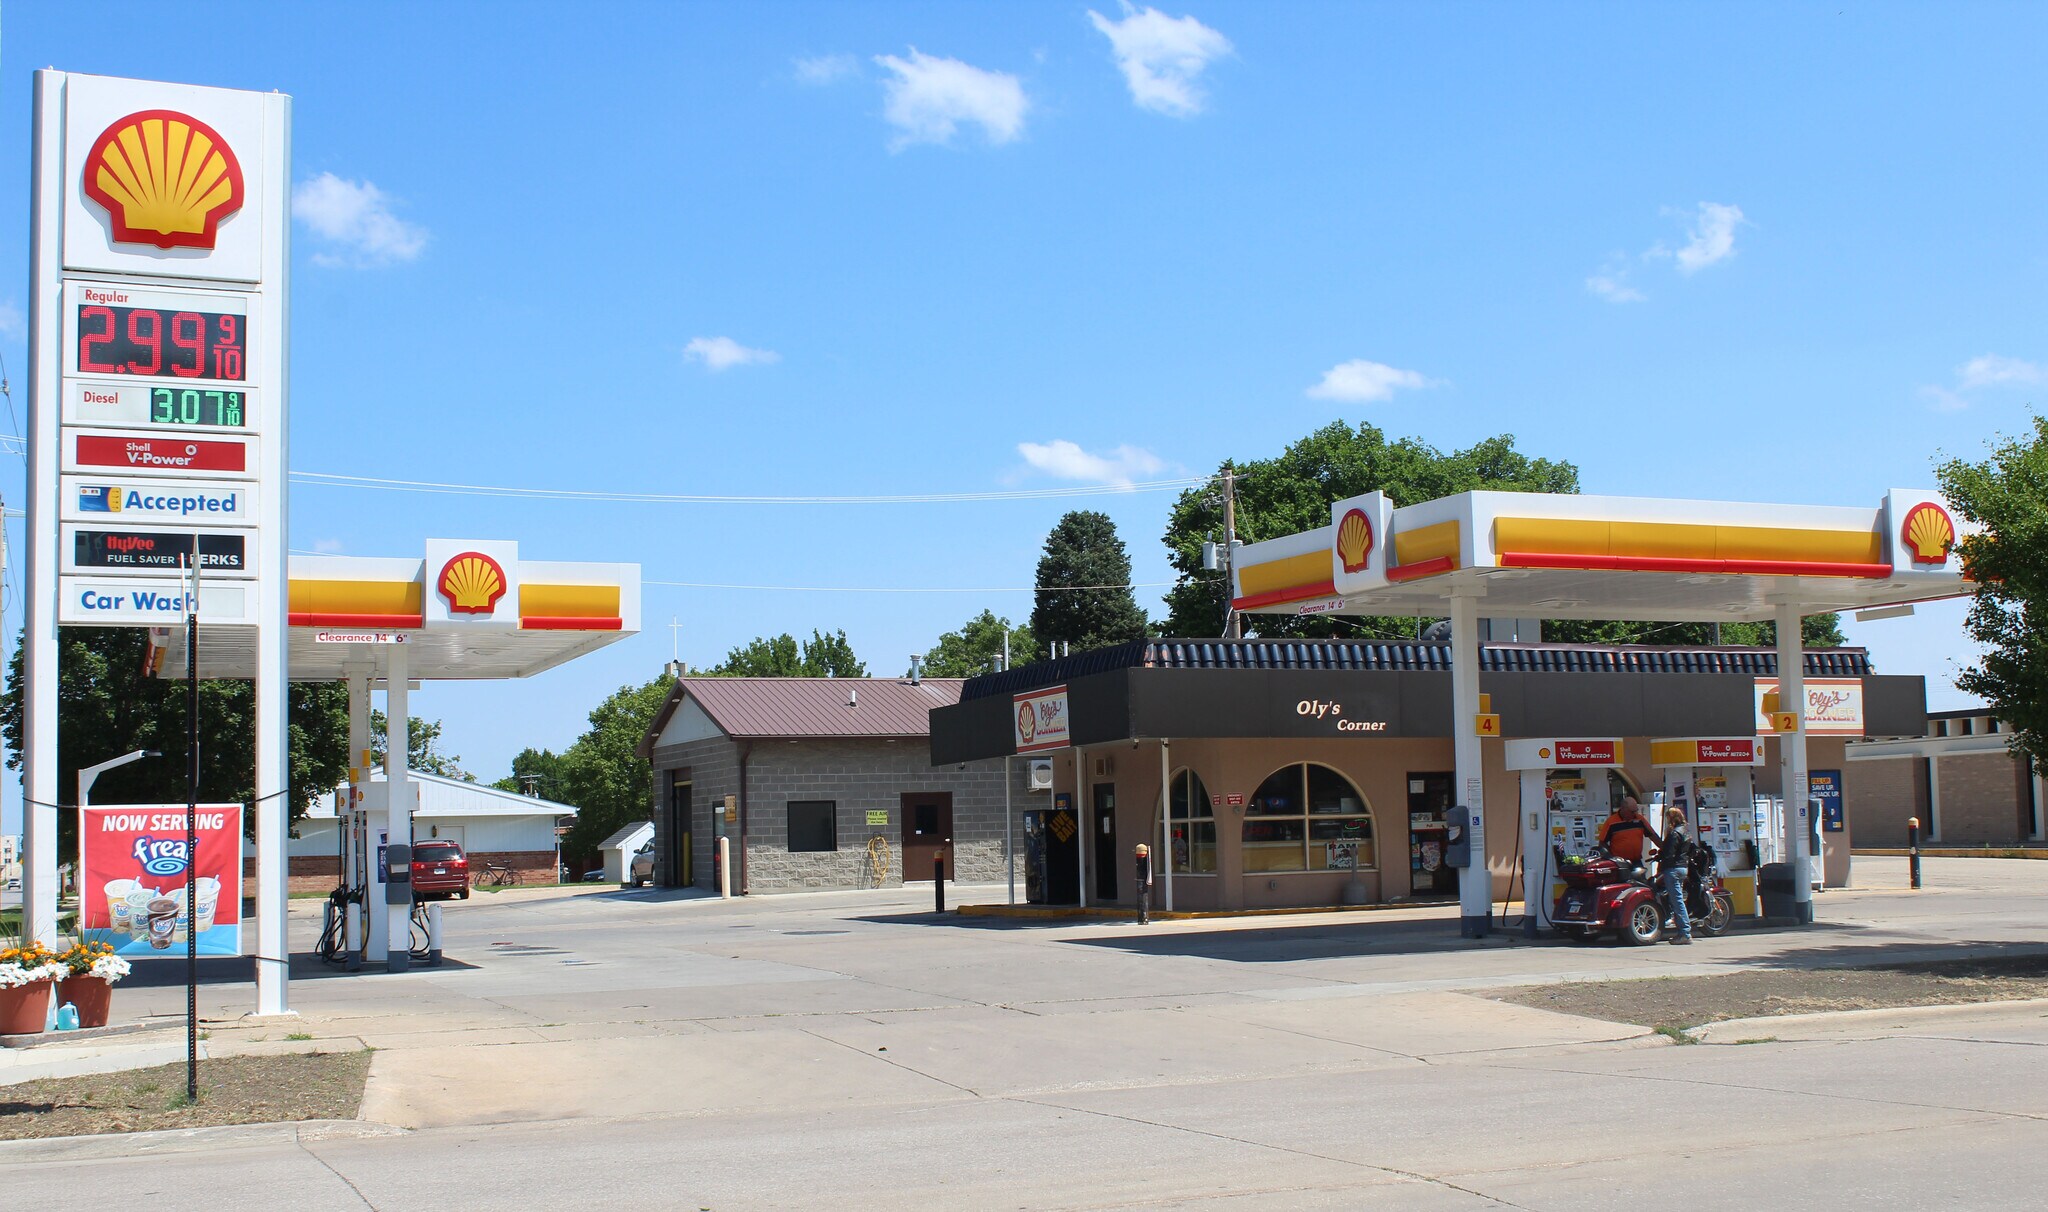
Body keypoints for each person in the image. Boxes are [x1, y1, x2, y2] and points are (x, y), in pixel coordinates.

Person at [1657, 806, 1694, 945]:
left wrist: (1661, 859)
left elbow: (1669, 853)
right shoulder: (1686, 831)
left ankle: (1685, 933)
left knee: (1677, 901)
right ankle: (1682, 931)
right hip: (1683, 868)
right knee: (1677, 900)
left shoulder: (1674, 833)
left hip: (1673, 869)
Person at [1598, 796, 1658, 866]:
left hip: (1636, 861)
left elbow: (1653, 836)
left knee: (1640, 876)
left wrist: (1665, 849)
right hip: (1619, 863)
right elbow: (1602, 843)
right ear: (1623, 809)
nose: (1635, 813)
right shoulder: (1611, 822)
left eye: (1636, 810)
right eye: (1632, 811)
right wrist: (1610, 858)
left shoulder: (1639, 819)